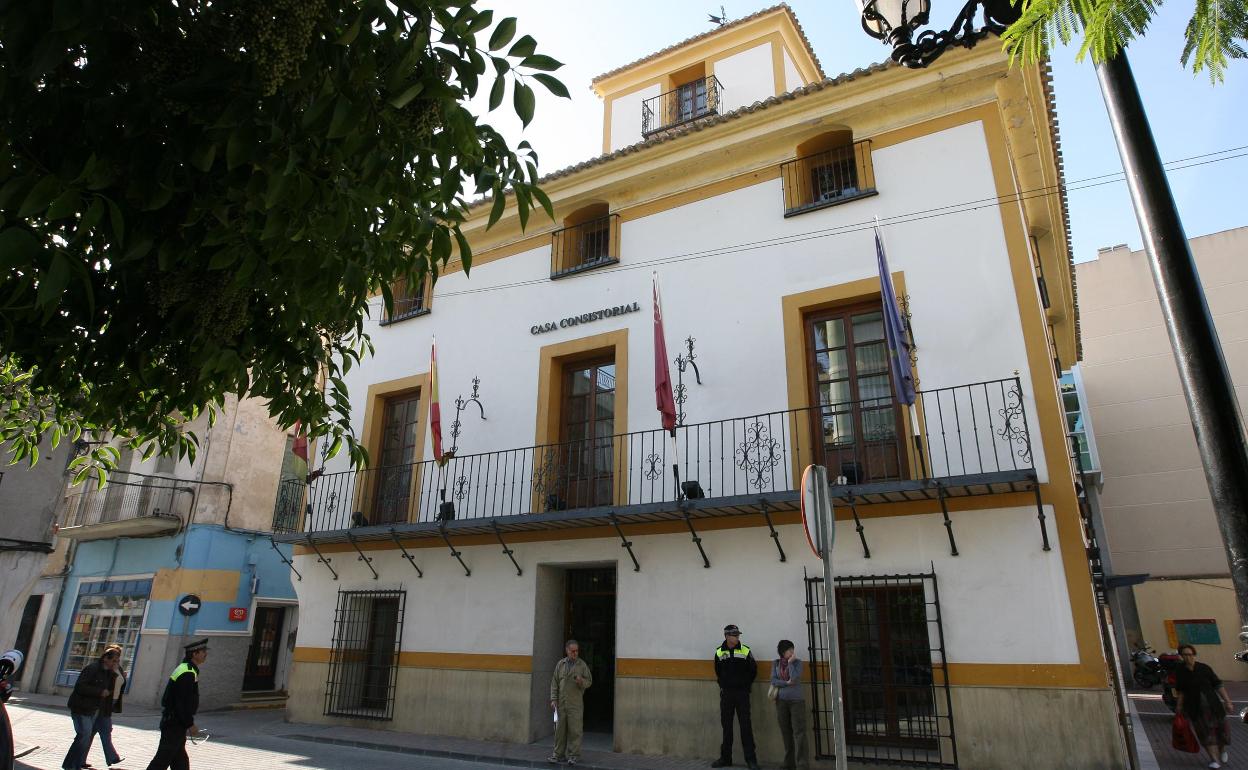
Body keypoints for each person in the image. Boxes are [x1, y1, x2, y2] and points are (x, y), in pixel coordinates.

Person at [145, 638, 208, 770]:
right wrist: (190, 723)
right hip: (174, 723)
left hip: (175, 722)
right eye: (203, 651)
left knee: (180, 761)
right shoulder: (187, 672)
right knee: (161, 760)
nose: (205, 654)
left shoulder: (187, 669)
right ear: (194, 654)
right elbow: (181, 702)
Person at [1173, 644, 1234, 769]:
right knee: (1206, 735)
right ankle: (1214, 759)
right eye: (1185, 655)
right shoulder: (1180, 672)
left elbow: (1218, 685)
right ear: (1181, 656)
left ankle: (1222, 750)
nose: (1188, 657)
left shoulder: (1204, 668)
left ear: (1194, 655)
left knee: (1222, 733)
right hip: (1196, 709)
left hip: (1214, 706)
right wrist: (1179, 706)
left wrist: (1227, 701)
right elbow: (1181, 691)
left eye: (1190, 654)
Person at [63, 646, 121, 770]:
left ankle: (73, 764)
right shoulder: (92, 668)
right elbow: (80, 687)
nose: (115, 663)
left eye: (117, 661)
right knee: (83, 736)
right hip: (81, 707)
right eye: (114, 661)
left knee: (84, 737)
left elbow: (112, 689)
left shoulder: (108, 673)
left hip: (92, 709)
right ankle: (71, 765)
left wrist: (115, 673)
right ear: (106, 658)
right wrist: (99, 692)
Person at [713, 624, 759, 770]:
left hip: (742, 694)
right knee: (726, 727)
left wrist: (745, 686)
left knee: (746, 727)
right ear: (726, 636)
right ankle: (726, 758)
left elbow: (753, 670)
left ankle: (751, 760)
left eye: (738, 634)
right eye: (734, 635)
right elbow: (718, 671)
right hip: (726, 694)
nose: (737, 637)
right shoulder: (719, 652)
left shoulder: (745, 650)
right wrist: (724, 685)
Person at [548, 639, 592, 766]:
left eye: (577, 651)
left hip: (575, 704)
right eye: (572, 651)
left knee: (575, 730)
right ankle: (558, 755)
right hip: (561, 703)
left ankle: (574, 756)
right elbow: (554, 683)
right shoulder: (560, 664)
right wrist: (553, 699)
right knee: (559, 731)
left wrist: (581, 681)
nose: (575, 653)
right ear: (567, 650)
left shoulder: (582, 665)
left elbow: (589, 681)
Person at [85, 645, 127, 769]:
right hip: (103, 702)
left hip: (111, 702)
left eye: (118, 657)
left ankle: (82, 758)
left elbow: (120, 684)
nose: (117, 660)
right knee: (104, 730)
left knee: (94, 731)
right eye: (115, 657)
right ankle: (112, 757)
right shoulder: (106, 669)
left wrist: (123, 677)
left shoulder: (117, 667)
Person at [771, 640, 808, 770]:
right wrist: (785, 683)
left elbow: (794, 678)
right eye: (789, 650)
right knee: (786, 731)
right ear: (782, 652)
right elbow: (773, 680)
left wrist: (791, 663)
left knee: (799, 732)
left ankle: (802, 764)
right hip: (781, 701)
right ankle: (789, 762)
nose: (792, 652)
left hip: (796, 701)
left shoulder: (798, 663)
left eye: (793, 649)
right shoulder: (776, 664)